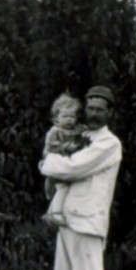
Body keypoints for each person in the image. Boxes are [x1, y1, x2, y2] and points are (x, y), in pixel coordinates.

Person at [39, 85, 122, 270]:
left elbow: (72, 168)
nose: (94, 113)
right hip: (67, 221)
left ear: (110, 113)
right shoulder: (80, 137)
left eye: (100, 109)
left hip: (87, 223)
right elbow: (65, 172)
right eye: (91, 108)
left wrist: (47, 162)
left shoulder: (108, 144)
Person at [41, 93, 89, 227]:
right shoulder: (55, 131)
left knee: (65, 188)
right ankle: (55, 213)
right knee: (62, 187)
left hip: (68, 163)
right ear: (56, 119)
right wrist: (69, 147)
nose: (69, 120)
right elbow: (51, 147)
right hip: (55, 161)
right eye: (64, 116)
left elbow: (84, 138)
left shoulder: (76, 130)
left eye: (72, 116)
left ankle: (50, 212)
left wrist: (84, 134)